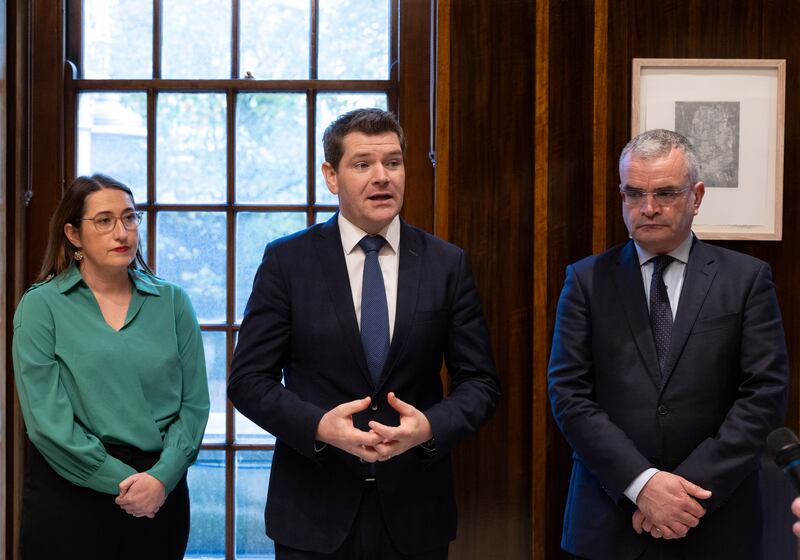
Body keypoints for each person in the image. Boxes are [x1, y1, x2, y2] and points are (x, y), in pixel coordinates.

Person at [228, 108, 501, 559]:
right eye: (363, 165)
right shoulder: (287, 262)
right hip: (313, 511)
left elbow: (481, 383)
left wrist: (428, 428)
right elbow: (248, 380)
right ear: (331, 176)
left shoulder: (446, 264)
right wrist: (319, 427)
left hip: (415, 510)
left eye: (393, 163)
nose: (382, 177)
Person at [547, 129, 789, 559]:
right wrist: (643, 485)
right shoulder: (585, 281)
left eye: (665, 193)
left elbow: (764, 395)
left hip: (718, 519)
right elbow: (569, 396)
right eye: (633, 194)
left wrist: (683, 495)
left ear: (696, 196)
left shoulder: (746, 280)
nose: (648, 208)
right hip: (610, 518)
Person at [12, 174, 210, 559]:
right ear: (73, 234)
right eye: (104, 221)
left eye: (130, 218)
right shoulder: (42, 306)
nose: (121, 232)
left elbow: (195, 406)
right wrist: (128, 484)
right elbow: (47, 422)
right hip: (71, 491)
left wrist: (160, 479)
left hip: (159, 489)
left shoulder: (172, 302)